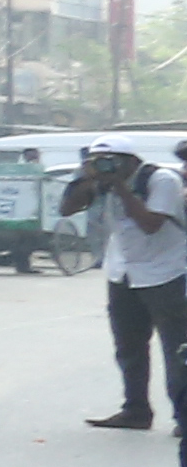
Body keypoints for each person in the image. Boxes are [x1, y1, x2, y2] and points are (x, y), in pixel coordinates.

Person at [79, 141, 187, 427]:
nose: (104, 165)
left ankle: (183, 417)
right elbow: (68, 207)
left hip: (166, 273)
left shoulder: (162, 179)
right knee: (129, 346)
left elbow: (150, 224)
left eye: (109, 160)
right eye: (97, 160)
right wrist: (85, 178)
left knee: (176, 348)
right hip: (122, 272)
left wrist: (120, 186)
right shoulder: (101, 181)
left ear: (129, 160)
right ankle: (136, 409)